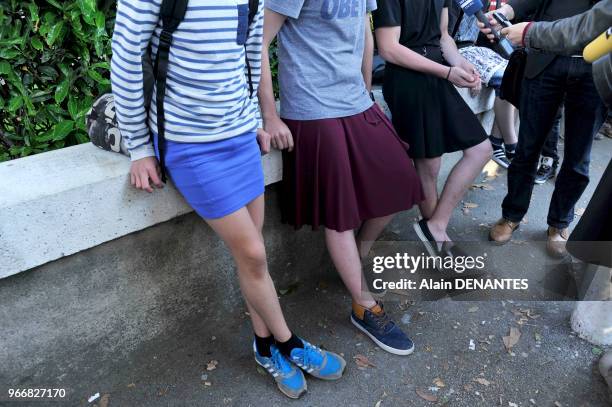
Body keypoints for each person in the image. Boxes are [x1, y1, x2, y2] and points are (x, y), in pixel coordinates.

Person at [110, 0, 346, 399]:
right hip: (188, 145)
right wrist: (139, 147)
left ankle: (264, 346)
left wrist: (254, 118)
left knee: (251, 257)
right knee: (254, 254)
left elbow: (250, 52)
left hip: (238, 134)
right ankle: (290, 343)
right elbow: (127, 60)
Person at [259, 0, 424, 356]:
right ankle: (363, 304)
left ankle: (355, 257)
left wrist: (365, 91)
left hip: (355, 101)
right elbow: (258, 41)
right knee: (340, 214)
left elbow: (364, 29)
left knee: (401, 179)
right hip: (312, 106)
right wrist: (270, 116)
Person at [480, 0, 606, 258]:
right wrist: (506, 12)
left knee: (578, 156)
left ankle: (559, 223)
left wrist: (529, 32)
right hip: (545, 59)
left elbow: (595, 20)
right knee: (527, 147)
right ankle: (511, 215)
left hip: (594, 68)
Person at [373, 0, 492, 256]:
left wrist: (459, 62)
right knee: (429, 165)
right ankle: (439, 241)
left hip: (438, 73)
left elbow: (444, 36)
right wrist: (447, 72)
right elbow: (388, 48)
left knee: (481, 150)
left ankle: (436, 226)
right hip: (407, 78)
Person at [451, 3, 519, 169]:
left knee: (518, 74)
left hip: (473, 48)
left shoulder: (478, 4)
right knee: (506, 79)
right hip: (452, 51)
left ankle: (496, 142)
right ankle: (512, 146)